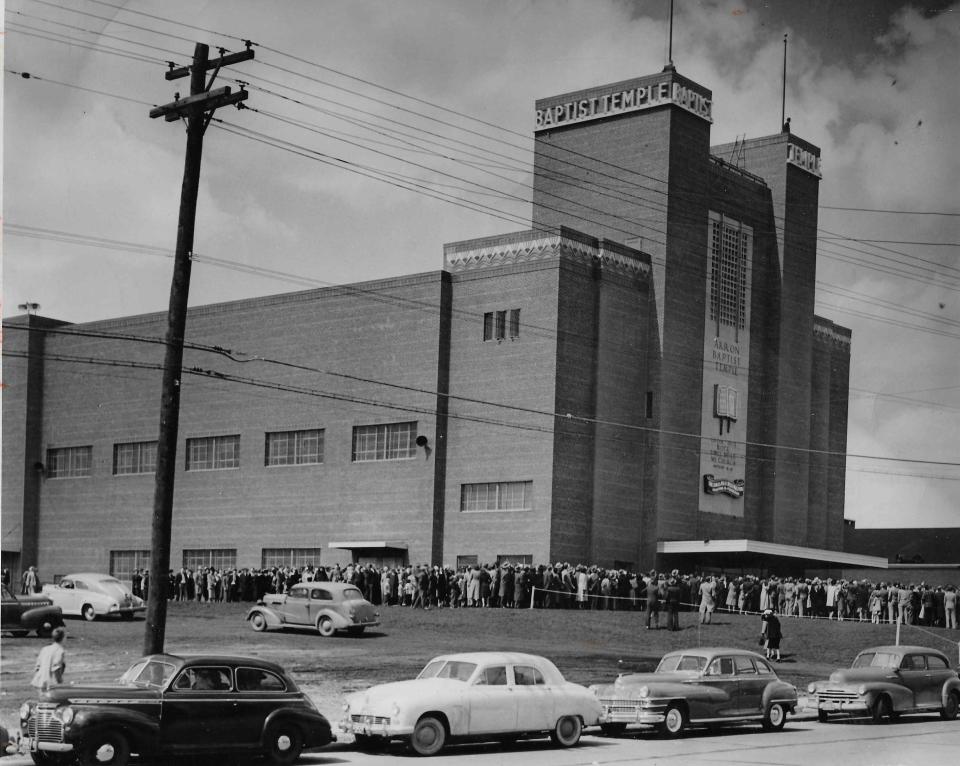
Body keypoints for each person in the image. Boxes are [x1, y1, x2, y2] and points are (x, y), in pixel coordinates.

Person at [31, 627, 67, 691]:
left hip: (39, 682)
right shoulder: (60, 651)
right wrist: (60, 684)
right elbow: (56, 669)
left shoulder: (45, 649)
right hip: (50, 685)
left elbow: (37, 667)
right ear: (63, 638)